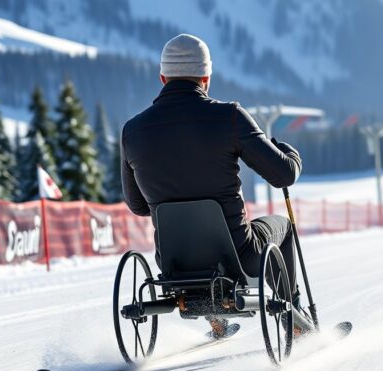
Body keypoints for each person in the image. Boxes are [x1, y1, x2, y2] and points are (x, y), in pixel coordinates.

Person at [120, 34, 307, 337]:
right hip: (238, 257)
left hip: (174, 264)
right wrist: (292, 155)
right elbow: (283, 175)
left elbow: (139, 206)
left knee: (193, 239)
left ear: (162, 77)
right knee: (283, 226)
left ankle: (213, 317)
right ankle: (294, 318)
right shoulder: (229, 117)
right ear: (205, 78)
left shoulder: (133, 131)